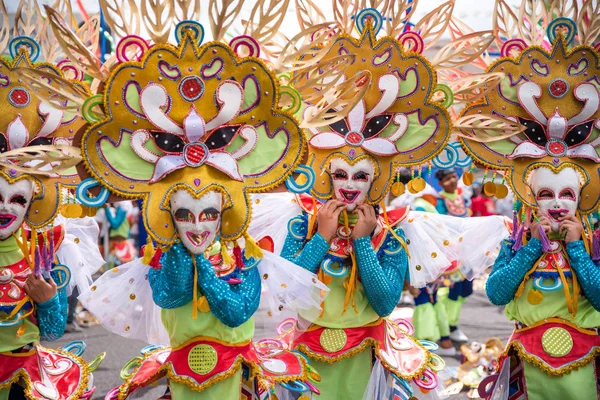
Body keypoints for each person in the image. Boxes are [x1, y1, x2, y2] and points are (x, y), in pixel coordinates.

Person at [75, 17, 328, 399]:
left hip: (233, 383)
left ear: (225, 211)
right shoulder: (163, 258)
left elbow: (236, 312)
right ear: (169, 215)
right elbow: (171, 296)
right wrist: (188, 254)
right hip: (182, 380)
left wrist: (205, 265)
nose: (198, 225)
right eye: (184, 215)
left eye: (209, 213)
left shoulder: (246, 255)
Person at [458, 5, 600, 397]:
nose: (557, 204)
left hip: (583, 367)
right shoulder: (518, 240)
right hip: (527, 366)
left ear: (582, 198)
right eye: (546, 194)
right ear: (530, 197)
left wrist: (576, 248)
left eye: (567, 195)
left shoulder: (594, 242)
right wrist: (532, 247)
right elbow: (499, 294)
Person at [0, 32, 104, 399]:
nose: (5, 208)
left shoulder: (40, 248)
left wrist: (47, 299)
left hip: (23, 374)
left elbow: (53, 330)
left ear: (32, 204)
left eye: (17, 199)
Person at [434, 168, 472, 344]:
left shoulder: (463, 198)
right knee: (450, 290)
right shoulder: (438, 201)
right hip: (448, 253)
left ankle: (452, 322)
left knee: (466, 289)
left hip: (465, 250)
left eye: (454, 177)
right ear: (441, 183)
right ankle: (449, 326)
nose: (452, 181)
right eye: (448, 179)